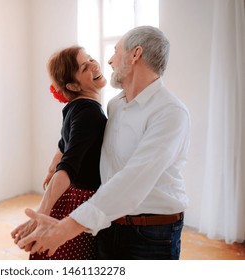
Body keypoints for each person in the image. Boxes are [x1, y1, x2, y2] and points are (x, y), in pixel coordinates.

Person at [16, 26, 191, 260]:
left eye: (116, 52)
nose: (108, 61)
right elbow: (73, 142)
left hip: (150, 235)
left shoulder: (170, 112)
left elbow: (132, 180)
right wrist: (56, 162)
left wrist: (66, 228)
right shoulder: (115, 106)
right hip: (106, 227)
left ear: (135, 54)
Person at [11, 46, 107, 260]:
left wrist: (51, 168)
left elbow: (62, 146)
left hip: (71, 197)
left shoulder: (75, 107)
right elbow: (68, 164)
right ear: (73, 85)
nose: (94, 64)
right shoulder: (89, 112)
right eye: (85, 67)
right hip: (80, 201)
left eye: (90, 58)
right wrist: (40, 213)